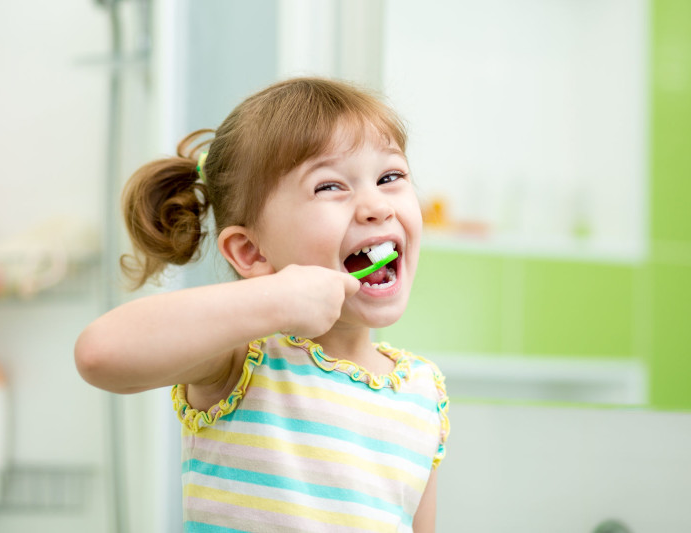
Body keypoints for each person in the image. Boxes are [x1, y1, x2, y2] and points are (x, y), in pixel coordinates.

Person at [75, 77, 450, 533]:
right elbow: (101, 353)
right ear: (251, 253)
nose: (376, 205)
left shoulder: (421, 393)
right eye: (330, 186)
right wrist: (276, 300)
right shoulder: (246, 361)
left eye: (390, 177)